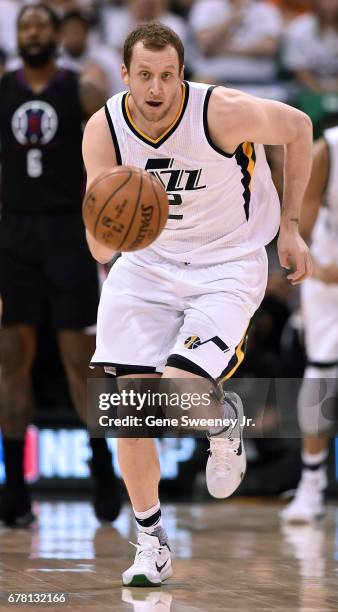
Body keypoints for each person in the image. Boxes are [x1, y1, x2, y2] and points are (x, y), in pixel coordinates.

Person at [82, 22, 312, 586]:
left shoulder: (221, 112)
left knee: (181, 386)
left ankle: (223, 422)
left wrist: (291, 228)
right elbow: (97, 239)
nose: (156, 89)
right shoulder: (104, 129)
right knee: (129, 410)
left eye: (167, 76)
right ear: (125, 76)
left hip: (227, 263)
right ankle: (151, 542)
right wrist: (114, 229)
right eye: (144, 77)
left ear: (181, 73)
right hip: (147, 265)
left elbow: (300, 127)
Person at [0, 3, 121, 526]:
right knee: (11, 366)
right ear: (17, 34)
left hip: (68, 236)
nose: (33, 32)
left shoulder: (83, 90)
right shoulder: (1, 90)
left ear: (57, 36)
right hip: (12, 236)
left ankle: (102, 468)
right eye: (25, 25)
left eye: (42, 26)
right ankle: (15, 494)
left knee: (82, 364)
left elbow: (112, 171)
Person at [280, 126, 338, 523]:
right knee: (320, 377)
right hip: (330, 279)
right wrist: (313, 267)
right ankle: (311, 484)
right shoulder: (328, 149)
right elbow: (303, 224)